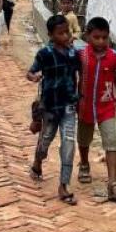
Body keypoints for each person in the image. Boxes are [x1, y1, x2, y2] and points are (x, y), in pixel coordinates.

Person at [28, 14, 80, 205]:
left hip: (68, 105)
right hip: (50, 106)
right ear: (51, 35)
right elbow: (31, 71)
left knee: (68, 143)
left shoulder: (74, 54)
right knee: (46, 140)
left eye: (67, 31)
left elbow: (79, 74)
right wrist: (33, 77)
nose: (66, 36)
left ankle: (64, 185)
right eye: (61, 33)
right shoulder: (45, 54)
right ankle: (37, 163)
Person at [76, 17, 116, 203]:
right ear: (88, 36)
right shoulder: (81, 55)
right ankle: (84, 163)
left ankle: (113, 182)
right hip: (85, 105)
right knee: (84, 138)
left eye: (104, 37)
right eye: (96, 37)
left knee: (111, 141)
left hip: (106, 105)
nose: (100, 41)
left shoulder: (114, 56)